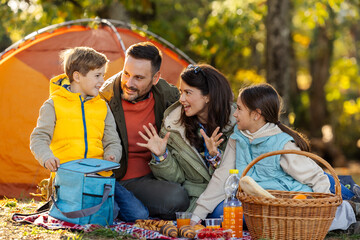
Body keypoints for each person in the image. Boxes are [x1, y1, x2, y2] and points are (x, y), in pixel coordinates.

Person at [190, 83, 357, 232]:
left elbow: (315, 176)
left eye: (239, 109)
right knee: (218, 212)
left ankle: (349, 207)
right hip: (257, 203)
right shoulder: (236, 139)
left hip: (287, 200)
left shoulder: (282, 144)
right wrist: (196, 216)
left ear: (256, 115)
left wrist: (325, 210)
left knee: (312, 200)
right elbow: (221, 177)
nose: (235, 114)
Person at [30, 46, 148, 222]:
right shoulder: (53, 105)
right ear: (77, 76)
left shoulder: (102, 106)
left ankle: (100, 208)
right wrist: (46, 157)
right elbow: (38, 138)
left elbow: (112, 140)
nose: (102, 81)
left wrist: (112, 155)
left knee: (140, 215)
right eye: (97, 75)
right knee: (107, 213)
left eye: (103, 75)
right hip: (70, 180)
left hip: (101, 179)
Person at [99, 42, 189, 220]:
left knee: (185, 194)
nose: (129, 83)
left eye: (139, 78)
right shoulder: (104, 98)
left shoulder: (167, 95)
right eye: (126, 74)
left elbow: (200, 106)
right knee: (176, 198)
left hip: (156, 175)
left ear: (155, 79)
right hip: (118, 177)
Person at [137, 63, 237, 218]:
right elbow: (176, 179)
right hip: (195, 199)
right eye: (180, 92)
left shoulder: (237, 122)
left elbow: (240, 170)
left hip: (229, 195)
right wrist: (162, 156)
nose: (181, 99)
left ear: (208, 96)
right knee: (228, 214)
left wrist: (215, 156)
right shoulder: (173, 125)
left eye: (188, 93)